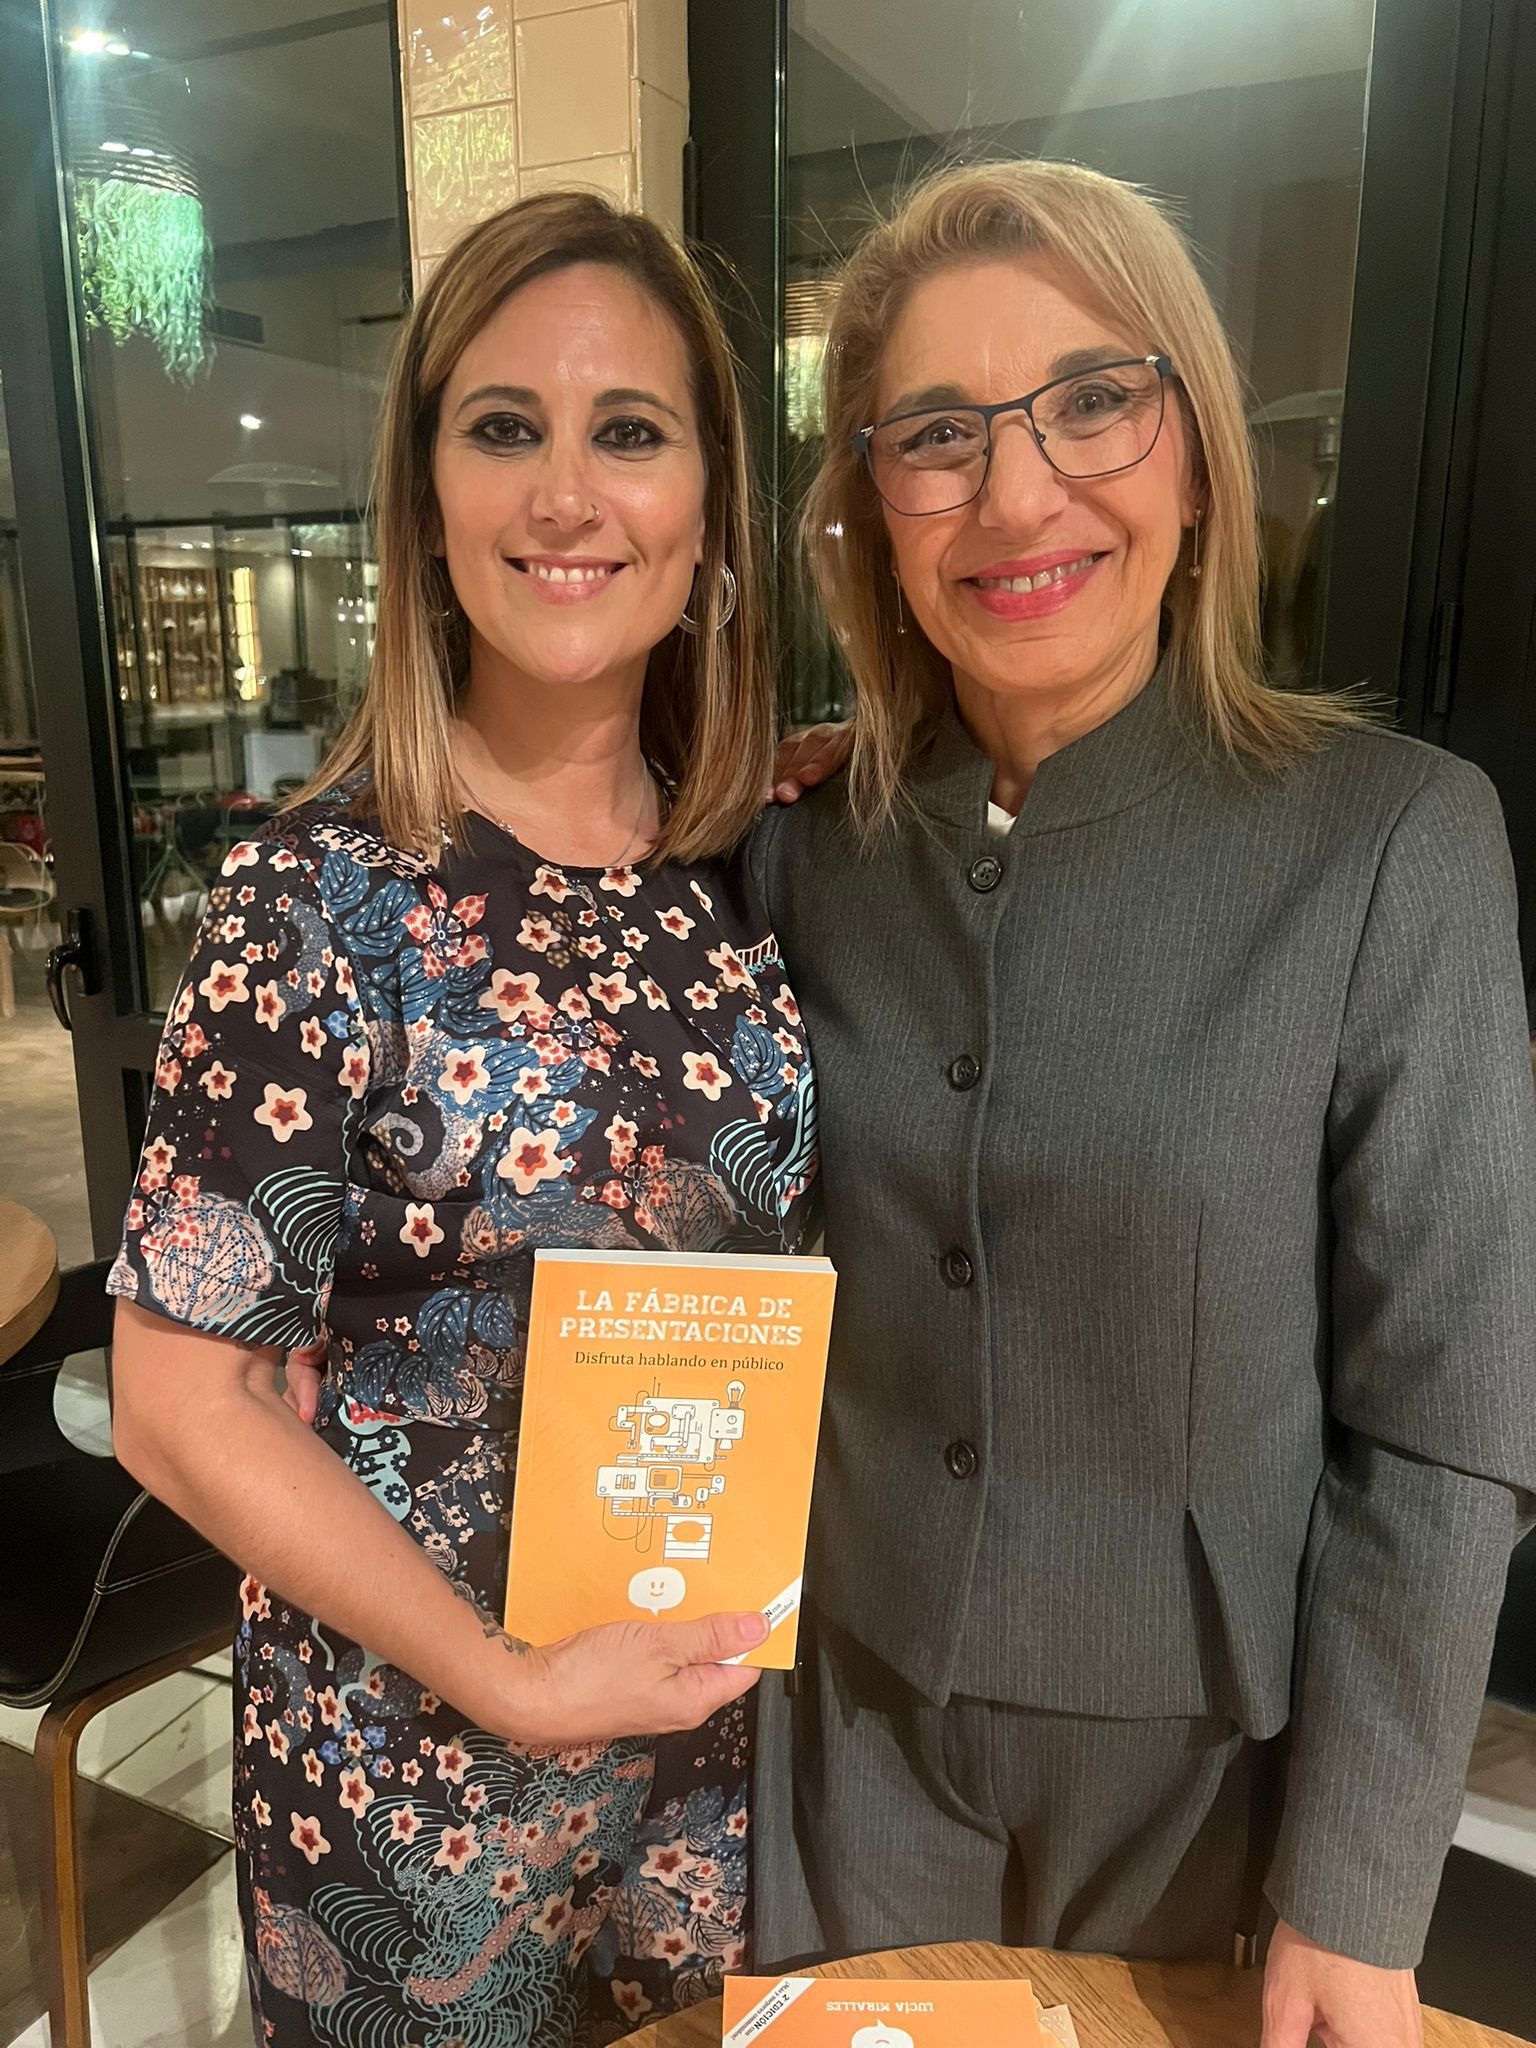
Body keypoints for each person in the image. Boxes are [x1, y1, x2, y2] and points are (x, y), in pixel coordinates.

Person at [751, 159, 1536, 2048]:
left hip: (1206, 1782)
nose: (1020, 493)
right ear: (873, 503)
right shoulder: (802, 850)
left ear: (1192, 449)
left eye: (1094, 398)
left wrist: (1358, 1884)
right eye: (938, 434)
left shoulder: (1391, 843)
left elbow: (1442, 1426)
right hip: (839, 1742)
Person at [108, 191, 818, 2048]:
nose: (566, 497)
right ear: (427, 508)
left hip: (706, 1756)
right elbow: (184, 1409)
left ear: (708, 517)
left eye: (629, 434)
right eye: (503, 429)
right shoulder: (320, 896)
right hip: (415, 1787)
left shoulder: (750, 875)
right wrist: (505, 1681)